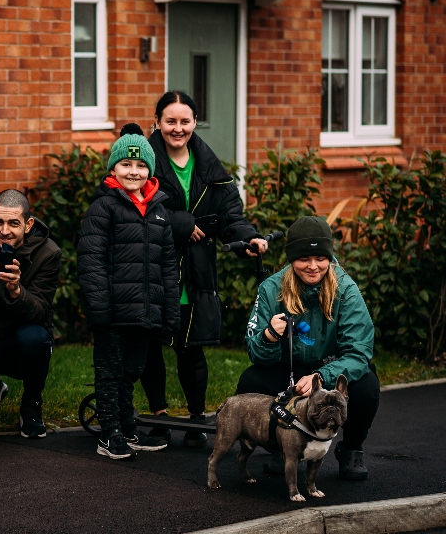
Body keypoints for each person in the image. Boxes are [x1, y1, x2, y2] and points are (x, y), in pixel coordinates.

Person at [138, 90, 268, 448]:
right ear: (158, 122)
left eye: (184, 121)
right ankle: (158, 418)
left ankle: (197, 420)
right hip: (154, 270)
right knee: (151, 345)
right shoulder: (143, 162)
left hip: (196, 272)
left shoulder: (210, 166)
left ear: (195, 122)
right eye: (170, 121)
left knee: (190, 347)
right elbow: (131, 207)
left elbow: (231, 216)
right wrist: (178, 223)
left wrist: (249, 239)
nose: (177, 128)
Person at [238, 215, 379, 480]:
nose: (313, 267)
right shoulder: (271, 289)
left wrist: (322, 376)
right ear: (291, 259)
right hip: (289, 367)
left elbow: (359, 352)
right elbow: (257, 354)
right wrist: (269, 336)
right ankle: (281, 446)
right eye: (304, 259)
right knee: (250, 382)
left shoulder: (346, 290)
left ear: (329, 257)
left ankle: (351, 448)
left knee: (367, 387)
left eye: (320, 259)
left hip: (329, 368)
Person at [78, 125, 181, 459]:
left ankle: (126, 427)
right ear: (113, 168)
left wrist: (169, 311)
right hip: (111, 313)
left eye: (140, 166)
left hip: (144, 311)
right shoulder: (103, 208)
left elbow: (167, 265)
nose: (133, 171)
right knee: (109, 373)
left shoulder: (159, 210)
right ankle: (109, 434)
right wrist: (98, 309)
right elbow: (91, 262)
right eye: (125, 165)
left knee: (131, 371)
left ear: (149, 170)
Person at [0, 189, 62, 438]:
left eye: (14, 223)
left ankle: (31, 406)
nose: (4, 230)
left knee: (35, 338)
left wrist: (16, 291)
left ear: (28, 224)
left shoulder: (48, 254)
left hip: (23, 341)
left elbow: (40, 311)